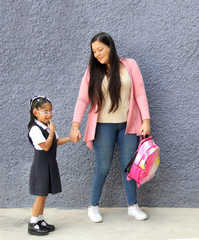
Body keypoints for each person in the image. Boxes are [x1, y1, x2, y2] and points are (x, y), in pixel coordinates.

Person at [69, 32, 151, 223]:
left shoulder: (130, 65)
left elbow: (140, 94)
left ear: (110, 47)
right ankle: (93, 206)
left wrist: (146, 120)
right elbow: (83, 99)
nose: (97, 54)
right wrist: (75, 125)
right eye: (94, 51)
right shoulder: (92, 71)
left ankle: (132, 206)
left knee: (129, 167)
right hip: (103, 127)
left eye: (100, 49)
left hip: (128, 126)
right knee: (103, 166)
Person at [27, 96, 70, 236]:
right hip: (41, 165)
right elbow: (46, 146)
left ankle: (40, 220)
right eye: (45, 112)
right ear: (35, 113)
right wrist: (51, 131)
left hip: (50, 164)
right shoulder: (35, 129)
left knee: (44, 195)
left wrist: (70, 138)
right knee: (40, 195)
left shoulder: (46, 126)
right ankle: (33, 223)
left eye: (50, 111)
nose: (49, 114)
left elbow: (55, 142)